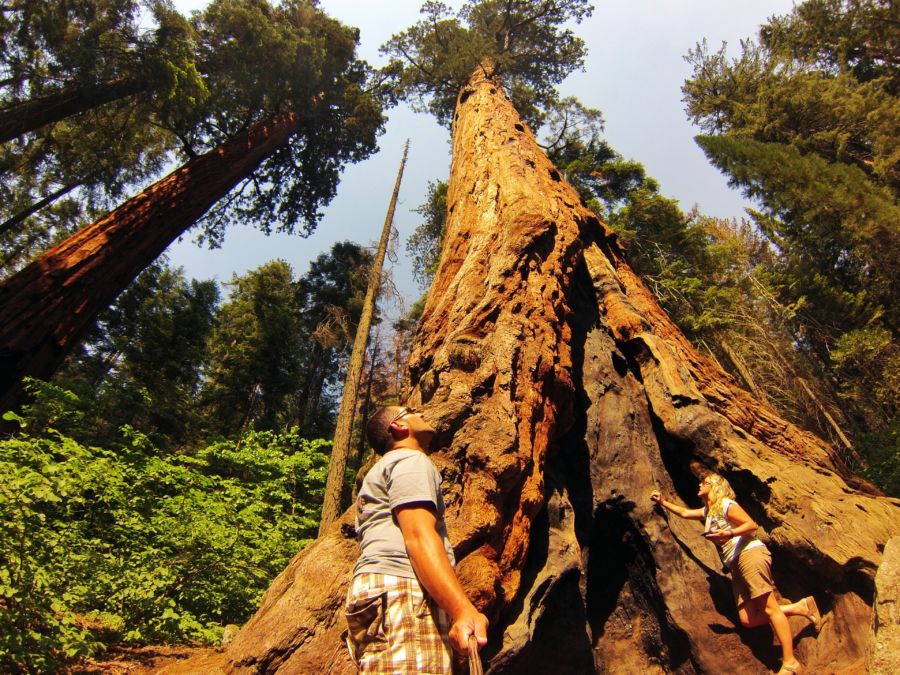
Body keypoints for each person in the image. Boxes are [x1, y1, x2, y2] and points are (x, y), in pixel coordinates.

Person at [344, 404, 489, 674]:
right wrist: (461, 610)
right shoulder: (409, 461)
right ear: (399, 426)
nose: (422, 412)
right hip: (402, 590)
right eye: (411, 410)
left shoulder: (379, 472)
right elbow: (419, 537)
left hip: (376, 594)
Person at [650, 473, 822, 675]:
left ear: (715, 487)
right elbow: (686, 514)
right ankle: (800, 607)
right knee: (748, 619)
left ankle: (790, 662)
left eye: (704, 482)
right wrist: (663, 502)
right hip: (735, 564)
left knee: (770, 609)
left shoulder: (725, 504)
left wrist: (728, 533)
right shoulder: (709, 511)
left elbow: (751, 525)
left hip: (749, 555)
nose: (699, 484)